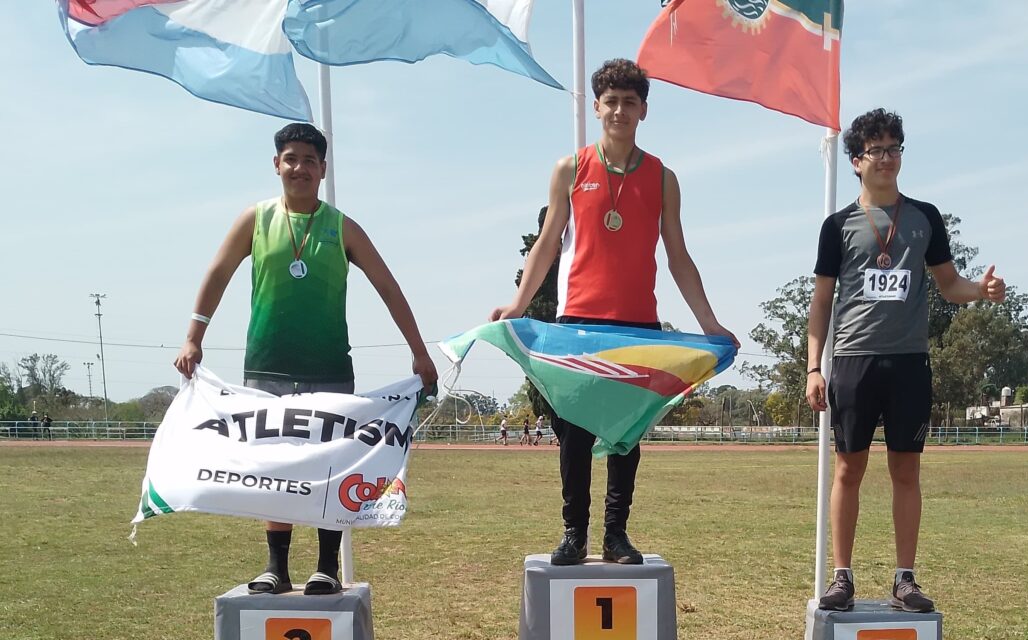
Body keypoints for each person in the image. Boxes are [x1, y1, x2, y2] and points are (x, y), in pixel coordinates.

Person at [173, 122, 438, 596]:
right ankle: (276, 566)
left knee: (330, 465)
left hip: (329, 369)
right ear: (276, 164)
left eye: (309, 161)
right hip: (266, 366)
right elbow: (218, 272)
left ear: (323, 170)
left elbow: (388, 287)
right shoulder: (255, 220)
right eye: (291, 158)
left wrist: (419, 352)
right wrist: (194, 335)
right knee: (275, 468)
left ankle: (327, 567)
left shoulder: (342, 227)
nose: (299, 168)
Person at [490, 59, 737, 566]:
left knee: (626, 434)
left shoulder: (663, 177)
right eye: (611, 101)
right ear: (597, 107)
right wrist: (516, 303)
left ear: (643, 110)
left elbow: (678, 255)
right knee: (574, 434)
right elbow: (547, 244)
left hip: (638, 327)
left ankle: (615, 535)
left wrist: (709, 323)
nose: (619, 110)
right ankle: (573, 533)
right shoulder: (570, 168)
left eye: (630, 101)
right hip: (578, 323)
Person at [806, 108, 1005, 613]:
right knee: (848, 471)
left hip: (909, 363)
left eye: (895, 148)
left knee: (906, 472)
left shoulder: (925, 218)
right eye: (877, 150)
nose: (887, 158)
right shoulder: (838, 226)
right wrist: (814, 367)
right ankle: (842, 577)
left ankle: (905, 579)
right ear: (855, 161)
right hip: (853, 361)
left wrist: (980, 292)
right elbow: (822, 302)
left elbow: (949, 285)